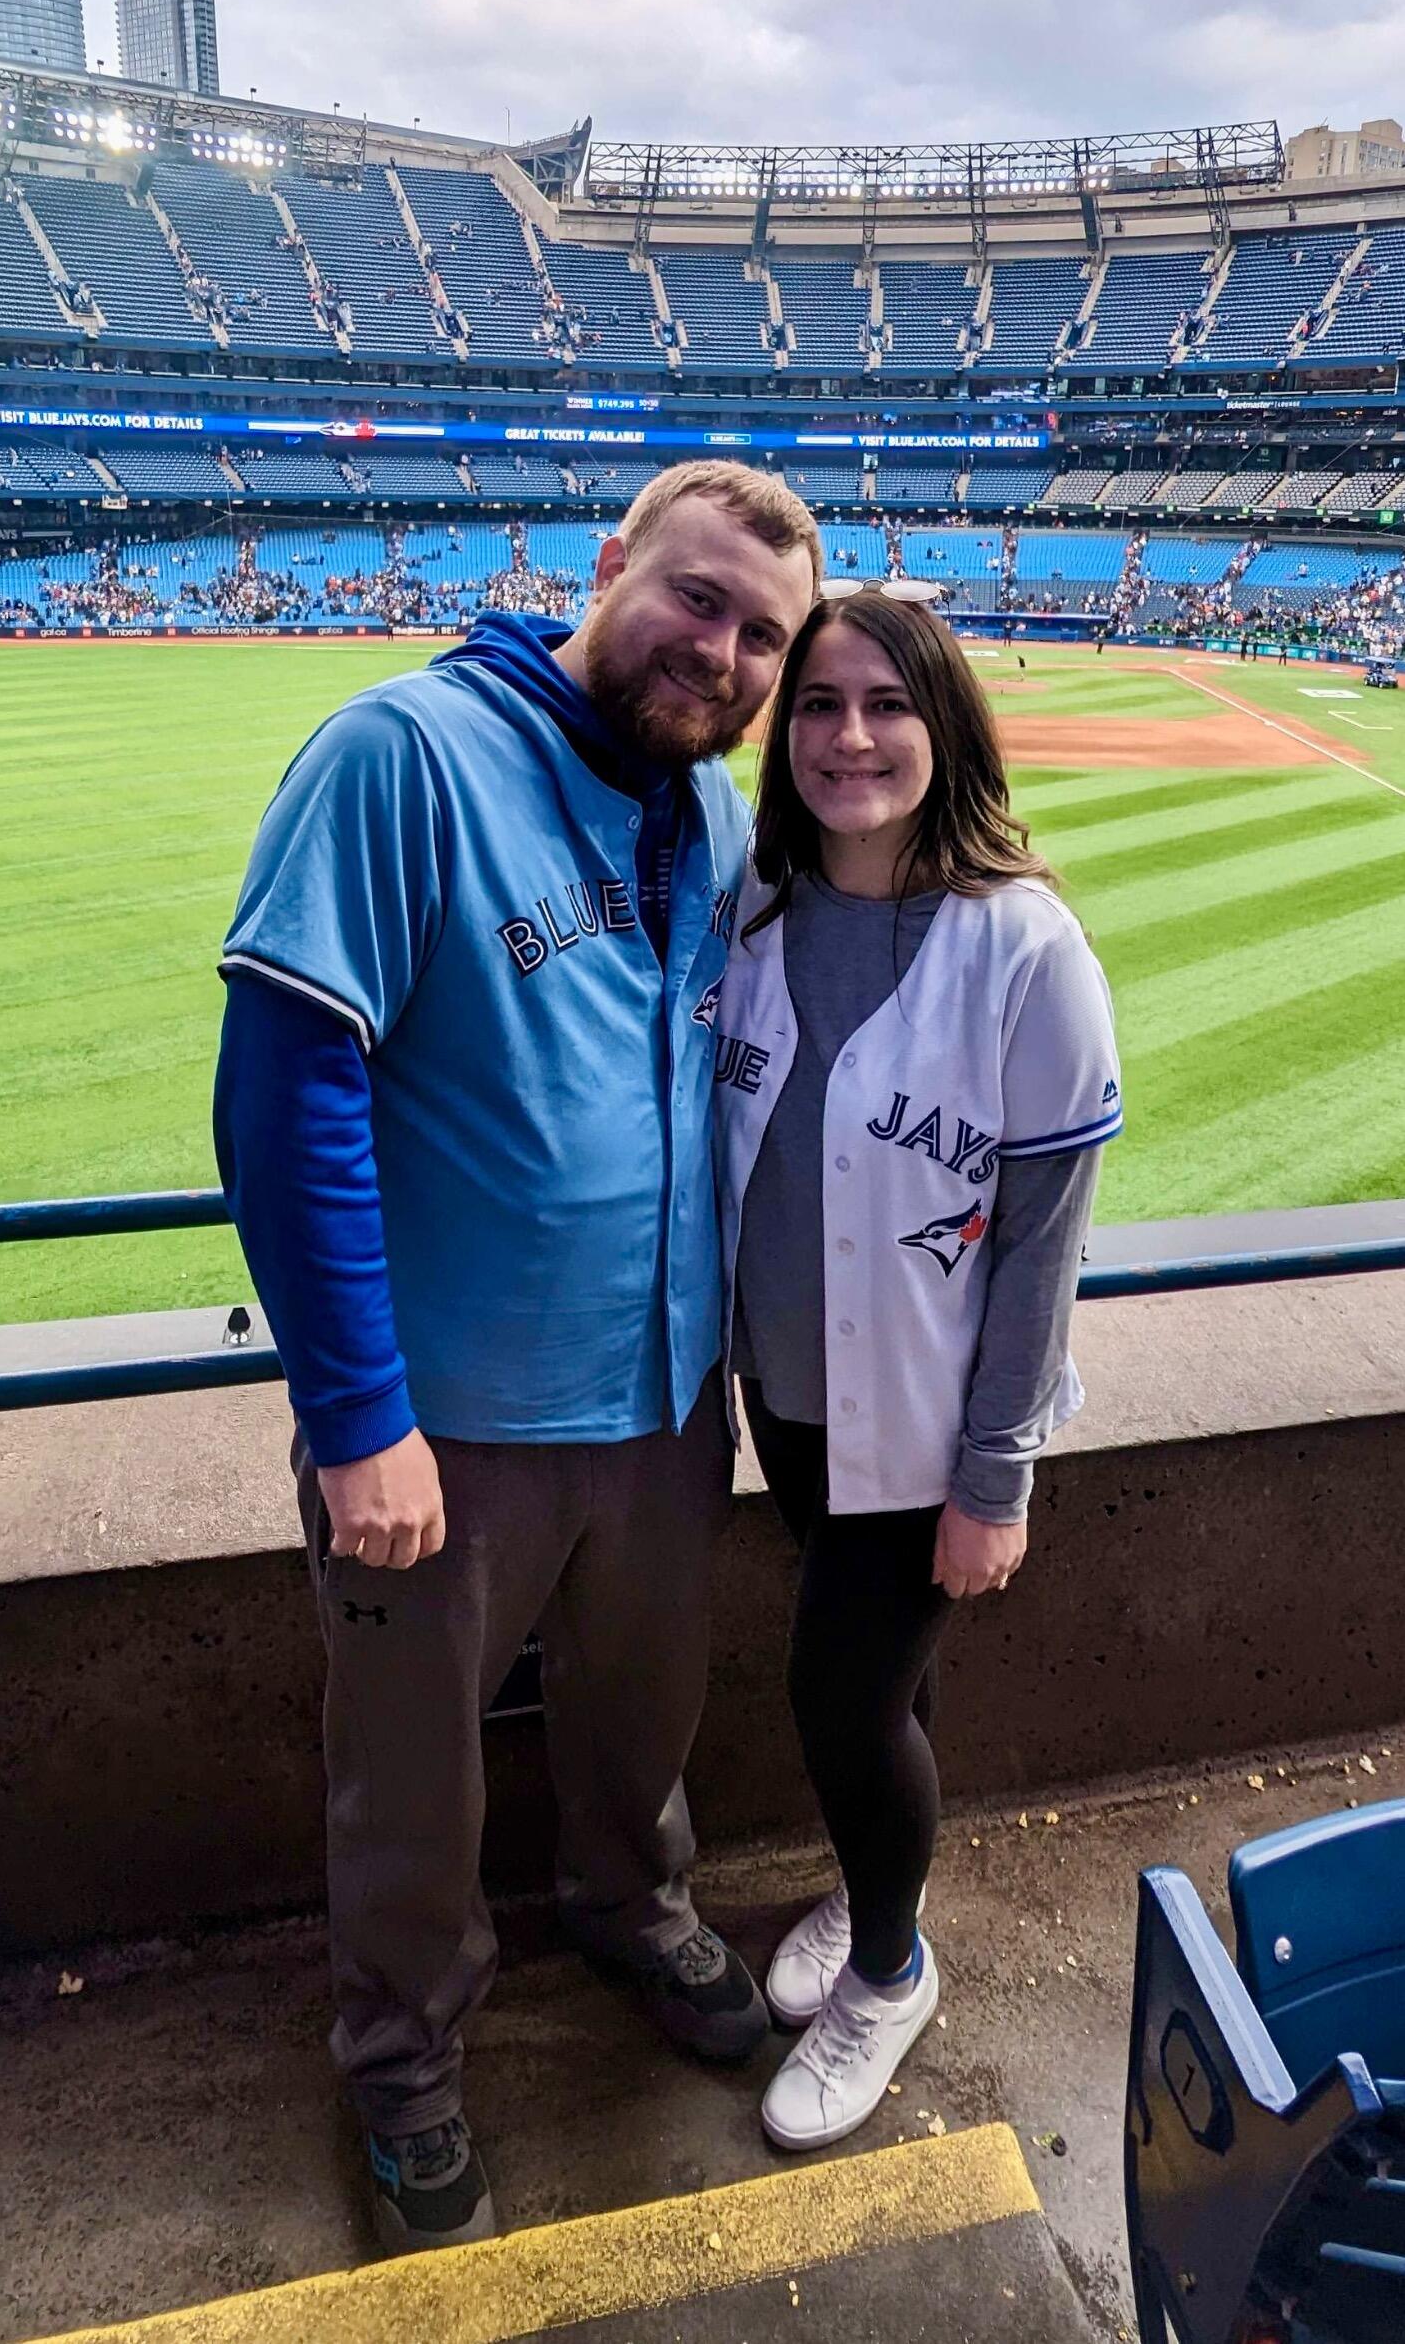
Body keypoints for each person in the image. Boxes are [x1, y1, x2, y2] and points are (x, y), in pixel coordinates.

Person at [213, 461, 821, 2250]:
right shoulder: (400, 755)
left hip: (654, 1400)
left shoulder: (708, 817)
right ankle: (401, 2066)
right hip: (443, 1427)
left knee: (641, 1721)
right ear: (608, 560)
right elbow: (285, 1091)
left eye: (758, 636)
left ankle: (631, 1912)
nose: (718, 651)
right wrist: (354, 1419)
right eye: (695, 599)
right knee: (412, 1779)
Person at [714, 592, 1121, 2152]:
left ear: (944, 725)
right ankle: (872, 1881)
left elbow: (1038, 1248)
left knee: (837, 1689)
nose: (849, 737)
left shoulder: (1023, 943)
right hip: (794, 1396)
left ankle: (891, 1966)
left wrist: (992, 1476)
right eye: (816, 704)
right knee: (883, 1682)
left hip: (937, 1411)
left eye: (887, 704)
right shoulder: (752, 906)